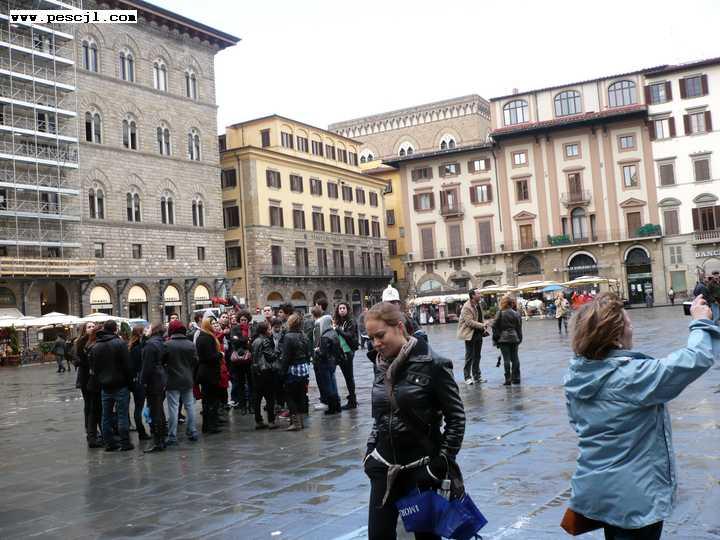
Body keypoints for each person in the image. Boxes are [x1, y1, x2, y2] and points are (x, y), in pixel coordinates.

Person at [564, 293, 719, 540]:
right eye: (628, 323)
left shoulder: (576, 374)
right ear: (615, 337)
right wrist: (700, 321)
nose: (632, 328)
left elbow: (577, 423)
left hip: (599, 488)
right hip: (634, 495)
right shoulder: (631, 377)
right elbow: (694, 359)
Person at [363, 302, 466, 540]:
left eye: (380, 335)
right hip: (383, 466)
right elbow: (381, 415)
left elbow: (456, 418)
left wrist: (439, 464)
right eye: (371, 338)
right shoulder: (379, 364)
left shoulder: (434, 364)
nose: (376, 343)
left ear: (399, 327)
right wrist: (370, 452)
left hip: (421, 469)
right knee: (378, 535)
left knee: (426, 537)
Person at [91, 320, 134, 452]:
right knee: (122, 414)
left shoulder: (96, 346)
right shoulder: (120, 343)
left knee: (106, 416)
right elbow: (127, 365)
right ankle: (125, 442)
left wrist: (100, 380)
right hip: (120, 384)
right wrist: (130, 382)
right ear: (115, 329)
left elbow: (94, 368)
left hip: (105, 385)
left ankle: (109, 443)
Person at [165, 319, 199, 445]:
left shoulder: (167, 345)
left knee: (173, 408)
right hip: (187, 378)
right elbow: (195, 361)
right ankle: (192, 431)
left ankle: (172, 435)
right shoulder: (190, 344)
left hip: (172, 379)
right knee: (190, 406)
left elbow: (162, 361)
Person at [74, 322, 103, 448]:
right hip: (85, 377)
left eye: (92, 326)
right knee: (89, 404)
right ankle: (90, 429)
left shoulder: (96, 340)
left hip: (92, 377)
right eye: (89, 327)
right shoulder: (81, 342)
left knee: (94, 404)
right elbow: (78, 359)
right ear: (84, 330)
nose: (91, 328)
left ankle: (94, 430)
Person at [280, 313, 311, 431]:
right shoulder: (303, 335)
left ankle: (296, 422)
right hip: (303, 368)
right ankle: (300, 421)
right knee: (301, 395)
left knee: (289, 395)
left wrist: (282, 373)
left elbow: (286, 357)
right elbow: (308, 353)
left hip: (293, 369)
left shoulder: (288, 337)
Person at [140, 323, 168, 453]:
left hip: (153, 381)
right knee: (158, 410)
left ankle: (159, 441)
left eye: (149, 328)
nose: (147, 330)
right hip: (160, 378)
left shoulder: (151, 345)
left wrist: (143, 382)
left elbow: (147, 366)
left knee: (155, 411)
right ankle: (161, 438)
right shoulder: (161, 342)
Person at [195, 318, 223, 434]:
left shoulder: (203, 336)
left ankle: (208, 425)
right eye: (212, 323)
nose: (215, 325)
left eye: (216, 323)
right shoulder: (207, 337)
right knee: (211, 400)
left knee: (208, 400)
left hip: (206, 372)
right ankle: (211, 425)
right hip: (209, 373)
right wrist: (220, 355)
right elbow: (209, 357)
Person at [314, 305, 342, 415]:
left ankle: (332, 407)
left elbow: (323, 353)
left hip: (325, 364)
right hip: (332, 362)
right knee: (333, 384)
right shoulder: (333, 333)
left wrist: (317, 351)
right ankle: (337, 405)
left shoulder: (325, 336)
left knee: (328, 386)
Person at [251, 321, 279, 429]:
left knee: (257, 397)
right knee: (270, 396)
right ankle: (271, 421)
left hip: (256, 371)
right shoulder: (265, 341)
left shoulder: (255, 341)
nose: (270, 331)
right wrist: (278, 351)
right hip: (266, 371)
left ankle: (258, 421)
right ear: (265, 330)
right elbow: (270, 356)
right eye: (269, 329)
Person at [457, 287, 486, 385]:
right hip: (470, 334)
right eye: (478, 293)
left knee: (477, 356)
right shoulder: (466, 307)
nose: (480, 295)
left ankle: (477, 376)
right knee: (469, 356)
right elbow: (469, 322)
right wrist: (482, 325)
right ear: (473, 296)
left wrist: (483, 326)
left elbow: (480, 317)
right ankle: (467, 377)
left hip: (478, 333)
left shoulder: (478, 304)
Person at [492, 295, 523, 386]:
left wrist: (496, 337)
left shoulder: (500, 313)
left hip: (503, 339)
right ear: (511, 303)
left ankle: (508, 379)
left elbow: (494, 325)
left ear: (503, 303)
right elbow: (519, 328)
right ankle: (516, 378)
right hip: (514, 338)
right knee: (515, 358)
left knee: (506, 359)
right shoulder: (516, 313)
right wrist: (519, 338)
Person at [334, 302, 359, 410]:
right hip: (341, 351)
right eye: (340, 308)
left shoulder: (351, 321)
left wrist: (338, 330)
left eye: (344, 308)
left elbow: (349, 335)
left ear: (347, 309)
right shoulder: (339, 321)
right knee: (347, 377)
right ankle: (351, 398)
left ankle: (352, 401)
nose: (342, 310)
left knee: (349, 377)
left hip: (348, 351)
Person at [128, 326, 151, 441]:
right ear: (141, 333)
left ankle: (141, 430)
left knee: (138, 407)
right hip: (139, 381)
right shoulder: (138, 347)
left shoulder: (131, 346)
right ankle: (141, 432)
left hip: (134, 381)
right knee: (139, 407)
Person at [229, 310, 253, 414]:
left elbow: (251, 341)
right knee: (240, 384)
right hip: (238, 361)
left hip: (250, 360)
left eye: (245, 320)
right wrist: (246, 340)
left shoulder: (251, 329)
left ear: (248, 320)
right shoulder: (235, 329)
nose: (243, 321)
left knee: (251, 383)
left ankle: (251, 405)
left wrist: (239, 339)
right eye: (241, 320)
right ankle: (243, 406)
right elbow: (233, 341)